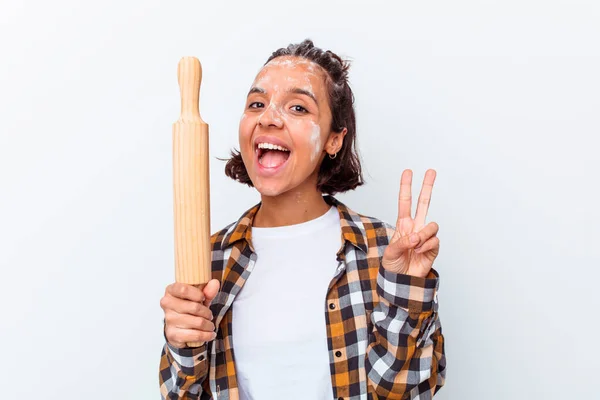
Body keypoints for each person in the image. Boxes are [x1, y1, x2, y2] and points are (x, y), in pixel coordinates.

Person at [159, 39, 446, 400]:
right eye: (257, 104)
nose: (268, 117)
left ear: (333, 140)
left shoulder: (383, 251)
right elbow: (182, 396)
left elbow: (406, 394)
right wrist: (182, 345)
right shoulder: (210, 256)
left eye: (297, 107)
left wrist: (405, 292)